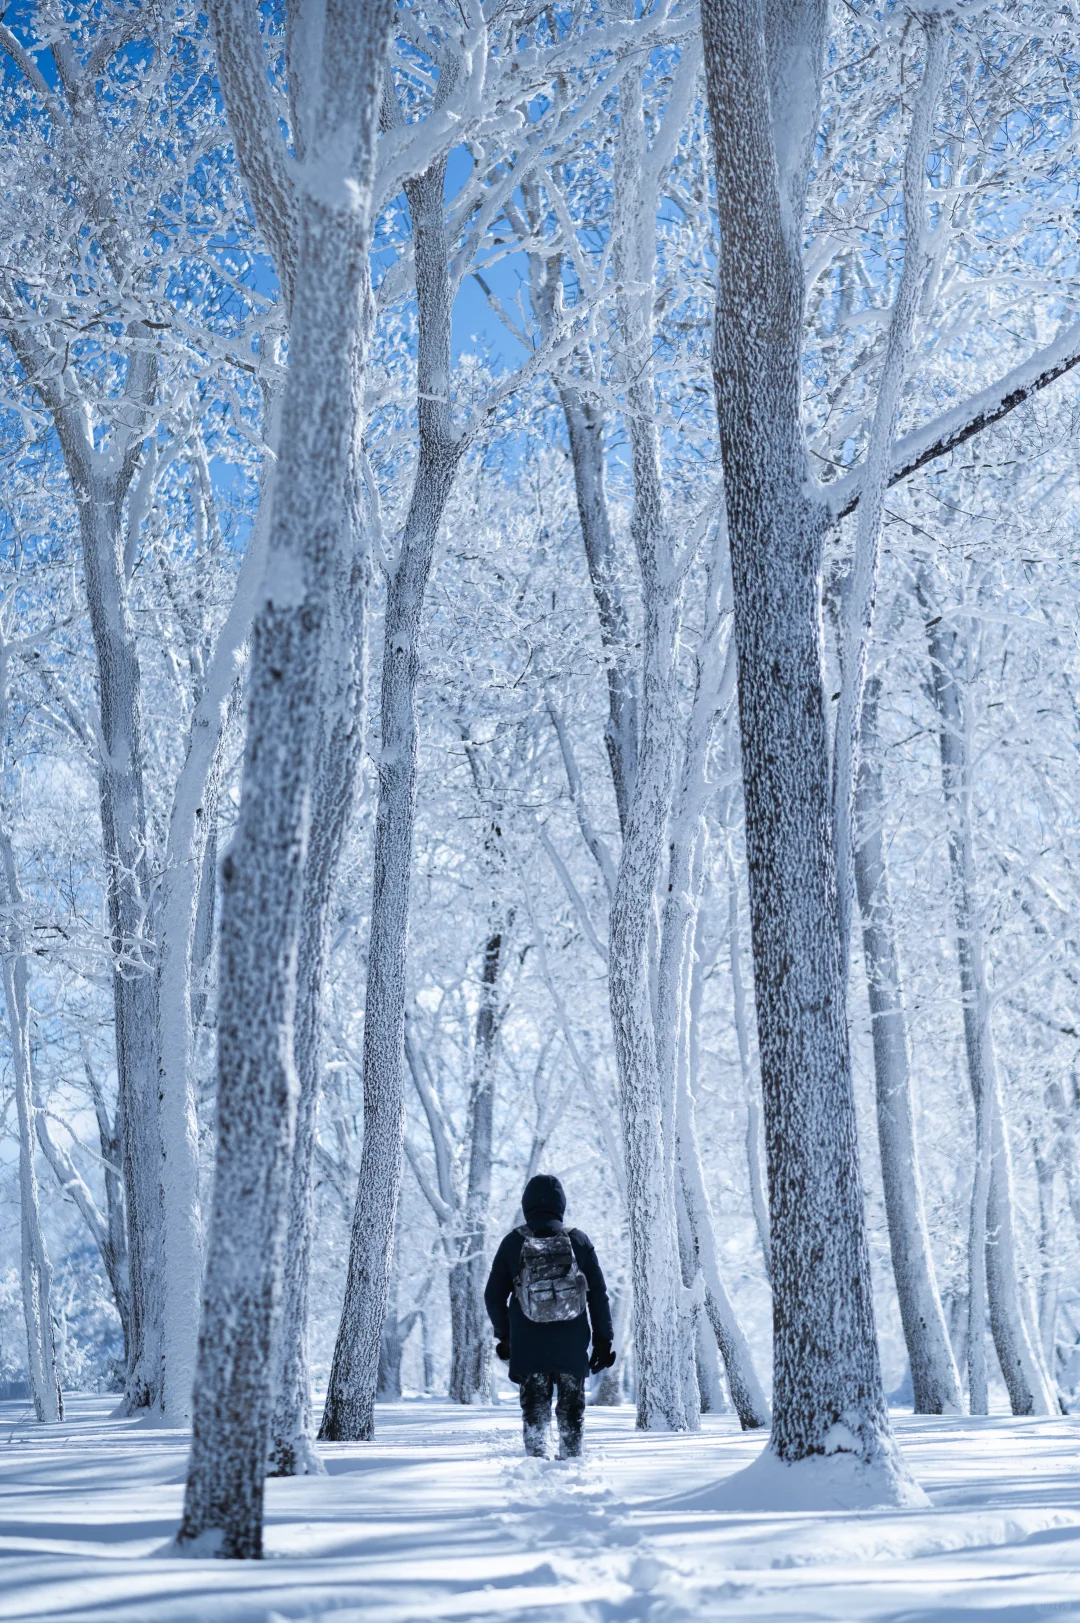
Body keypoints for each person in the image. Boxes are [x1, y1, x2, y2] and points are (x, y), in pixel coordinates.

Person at [484, 1173, 616, 1458]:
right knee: (571, 1410)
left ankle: (536, 1461)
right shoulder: (578, 1240)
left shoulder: (512, 1242)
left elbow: (493, 1295)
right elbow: (598, 1293)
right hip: (572, 1343)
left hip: (528, 1344)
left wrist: (505, 1337)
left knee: (535, 1409)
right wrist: (603, 1341)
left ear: (526, 1204)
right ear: (561, 1204)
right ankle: (571, 1460)